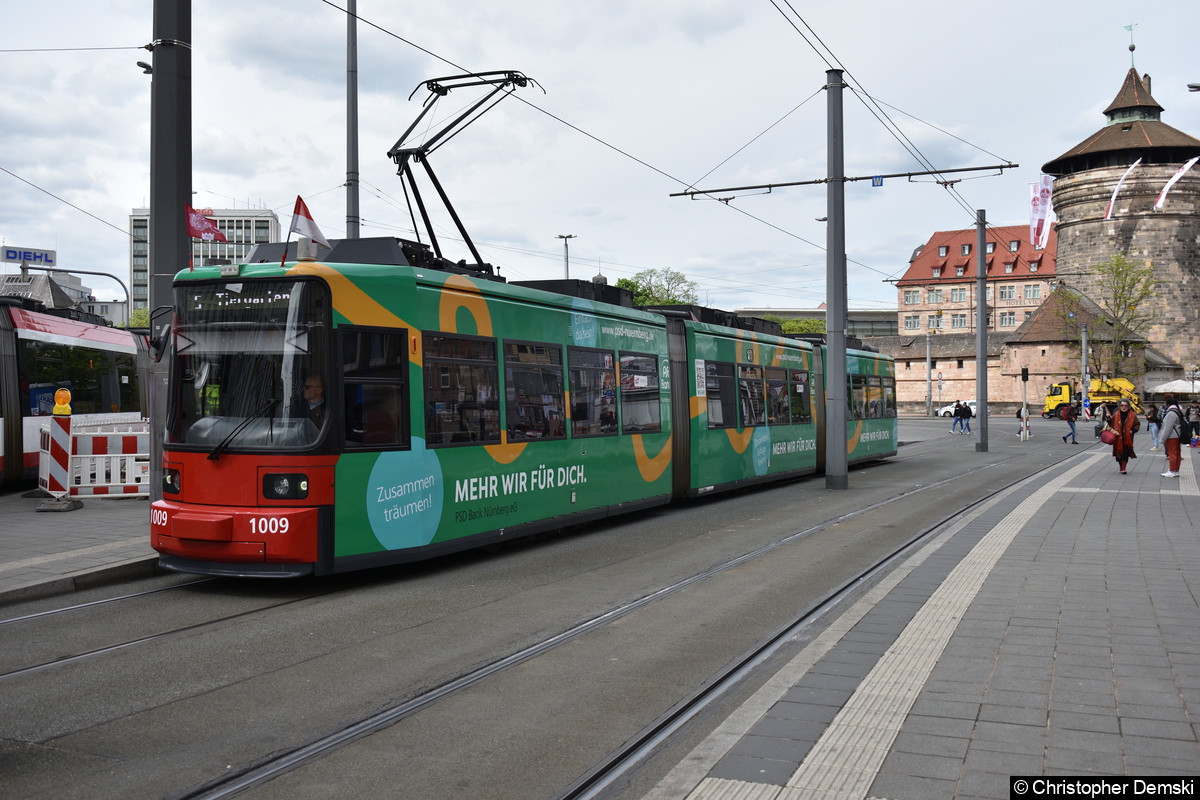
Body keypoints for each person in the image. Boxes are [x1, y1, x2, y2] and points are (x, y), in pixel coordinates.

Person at [1108, 398, 1140, 474]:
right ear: (1119, 406)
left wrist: (1132, 430)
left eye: (1126, 405)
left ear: (1128, 406)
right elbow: (1110, 424)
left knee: (1125, 453)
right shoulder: (1116, 414)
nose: (1124, 407)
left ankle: (1123, 468)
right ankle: (1121, 466)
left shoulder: (1132, 415)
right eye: (1122, 405)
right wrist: (1108, 418)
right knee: (1118, 454)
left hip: (1127, 437)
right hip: (1118, 437)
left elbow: (1137, 424)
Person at [1160, 394, 1185, 478]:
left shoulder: (1171, 413)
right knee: (1177, 453)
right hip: (1178, 435)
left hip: (1172, 436)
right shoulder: (1178, 411)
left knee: (1172, 453)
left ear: (1168, 404)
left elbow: (1167, 427)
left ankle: (1171, 470)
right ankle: (1176, 470)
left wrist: (1162, 439)